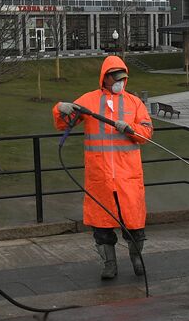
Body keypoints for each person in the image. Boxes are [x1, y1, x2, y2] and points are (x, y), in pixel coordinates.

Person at [53, 56, 153, 280]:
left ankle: (137, 259)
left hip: (128, 176)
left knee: (134, 224)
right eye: (116, 78)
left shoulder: (134, 103)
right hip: (100, 177)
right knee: (101, 225)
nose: (120, 82)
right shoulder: (88, 101)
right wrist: (60, 108)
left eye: (123, 78)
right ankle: (109, 265)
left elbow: (146, 133)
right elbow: (63, 122)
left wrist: (129, 128)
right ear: (105, 77)